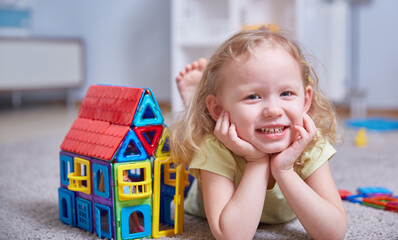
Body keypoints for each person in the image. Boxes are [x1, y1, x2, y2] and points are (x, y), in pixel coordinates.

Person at [171, 28, 347, 240]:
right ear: (218, 109)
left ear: (306, 100)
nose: (273, 110)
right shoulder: (214, 145)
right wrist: (256, 161)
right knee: (195, 138)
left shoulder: (307, 141)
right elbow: (232, 236)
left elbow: (334, 233)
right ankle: (194, 105)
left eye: (286, 93)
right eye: (253, 96)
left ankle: (195, 103)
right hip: (199, 202)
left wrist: (284, 170)